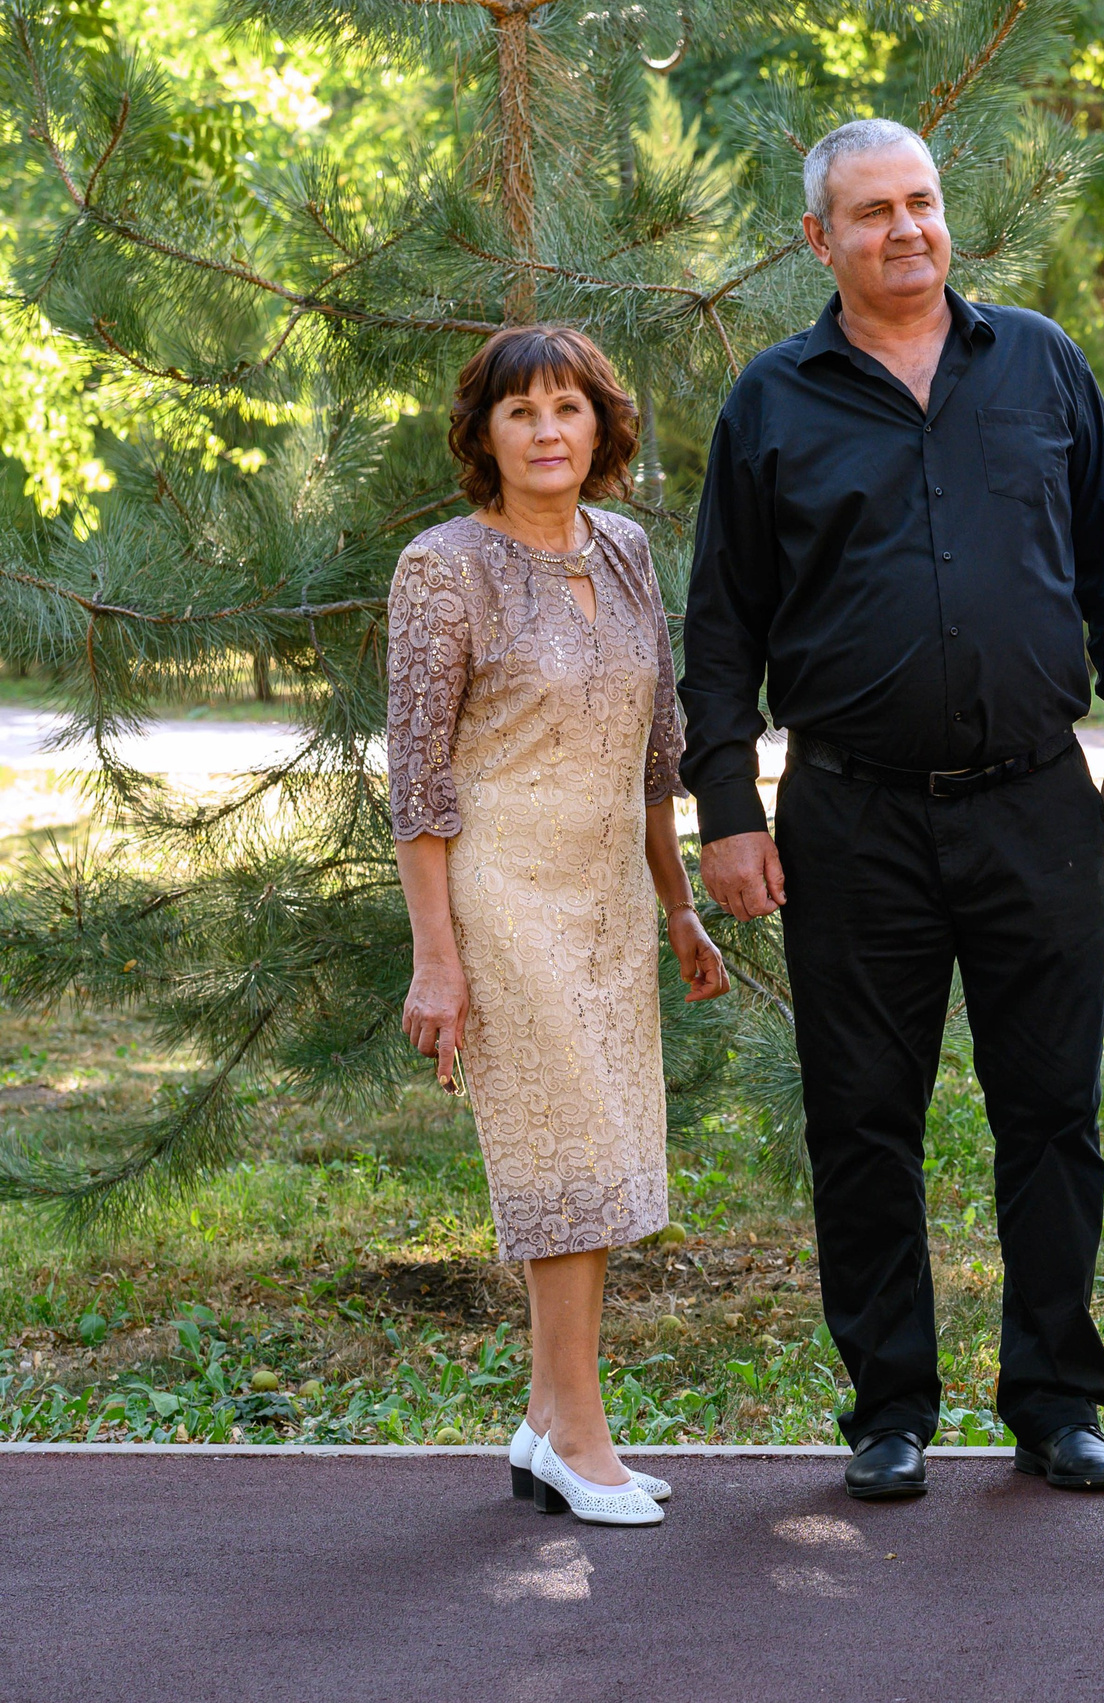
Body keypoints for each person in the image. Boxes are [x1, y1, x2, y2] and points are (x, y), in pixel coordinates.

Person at [679, 119, 1104, 1503]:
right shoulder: (773, 401)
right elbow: (722, 626)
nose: (908, 229)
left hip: (1033, 804)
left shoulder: (1042, 365)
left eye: (924, 202)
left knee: (1051, 1114)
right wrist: (728, 805)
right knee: (863, 1120)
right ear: (819, 239)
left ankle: (1058, 1399)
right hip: (851, 817)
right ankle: (889, 1404)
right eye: (874, 212)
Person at [391, 323, 730, 1528]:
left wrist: (678, 903)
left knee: (604, 1155)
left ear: (602, 426)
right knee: (571, 1158)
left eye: (568, 409)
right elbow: (418, 780)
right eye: (521, 412)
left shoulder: (629, 549)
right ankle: (583, 1433)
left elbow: (655, 753)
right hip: (501, 890)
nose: (547, 431)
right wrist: (438, 959)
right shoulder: (444, 567)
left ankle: (546, 1424)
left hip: (606, 897)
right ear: (485, 434)